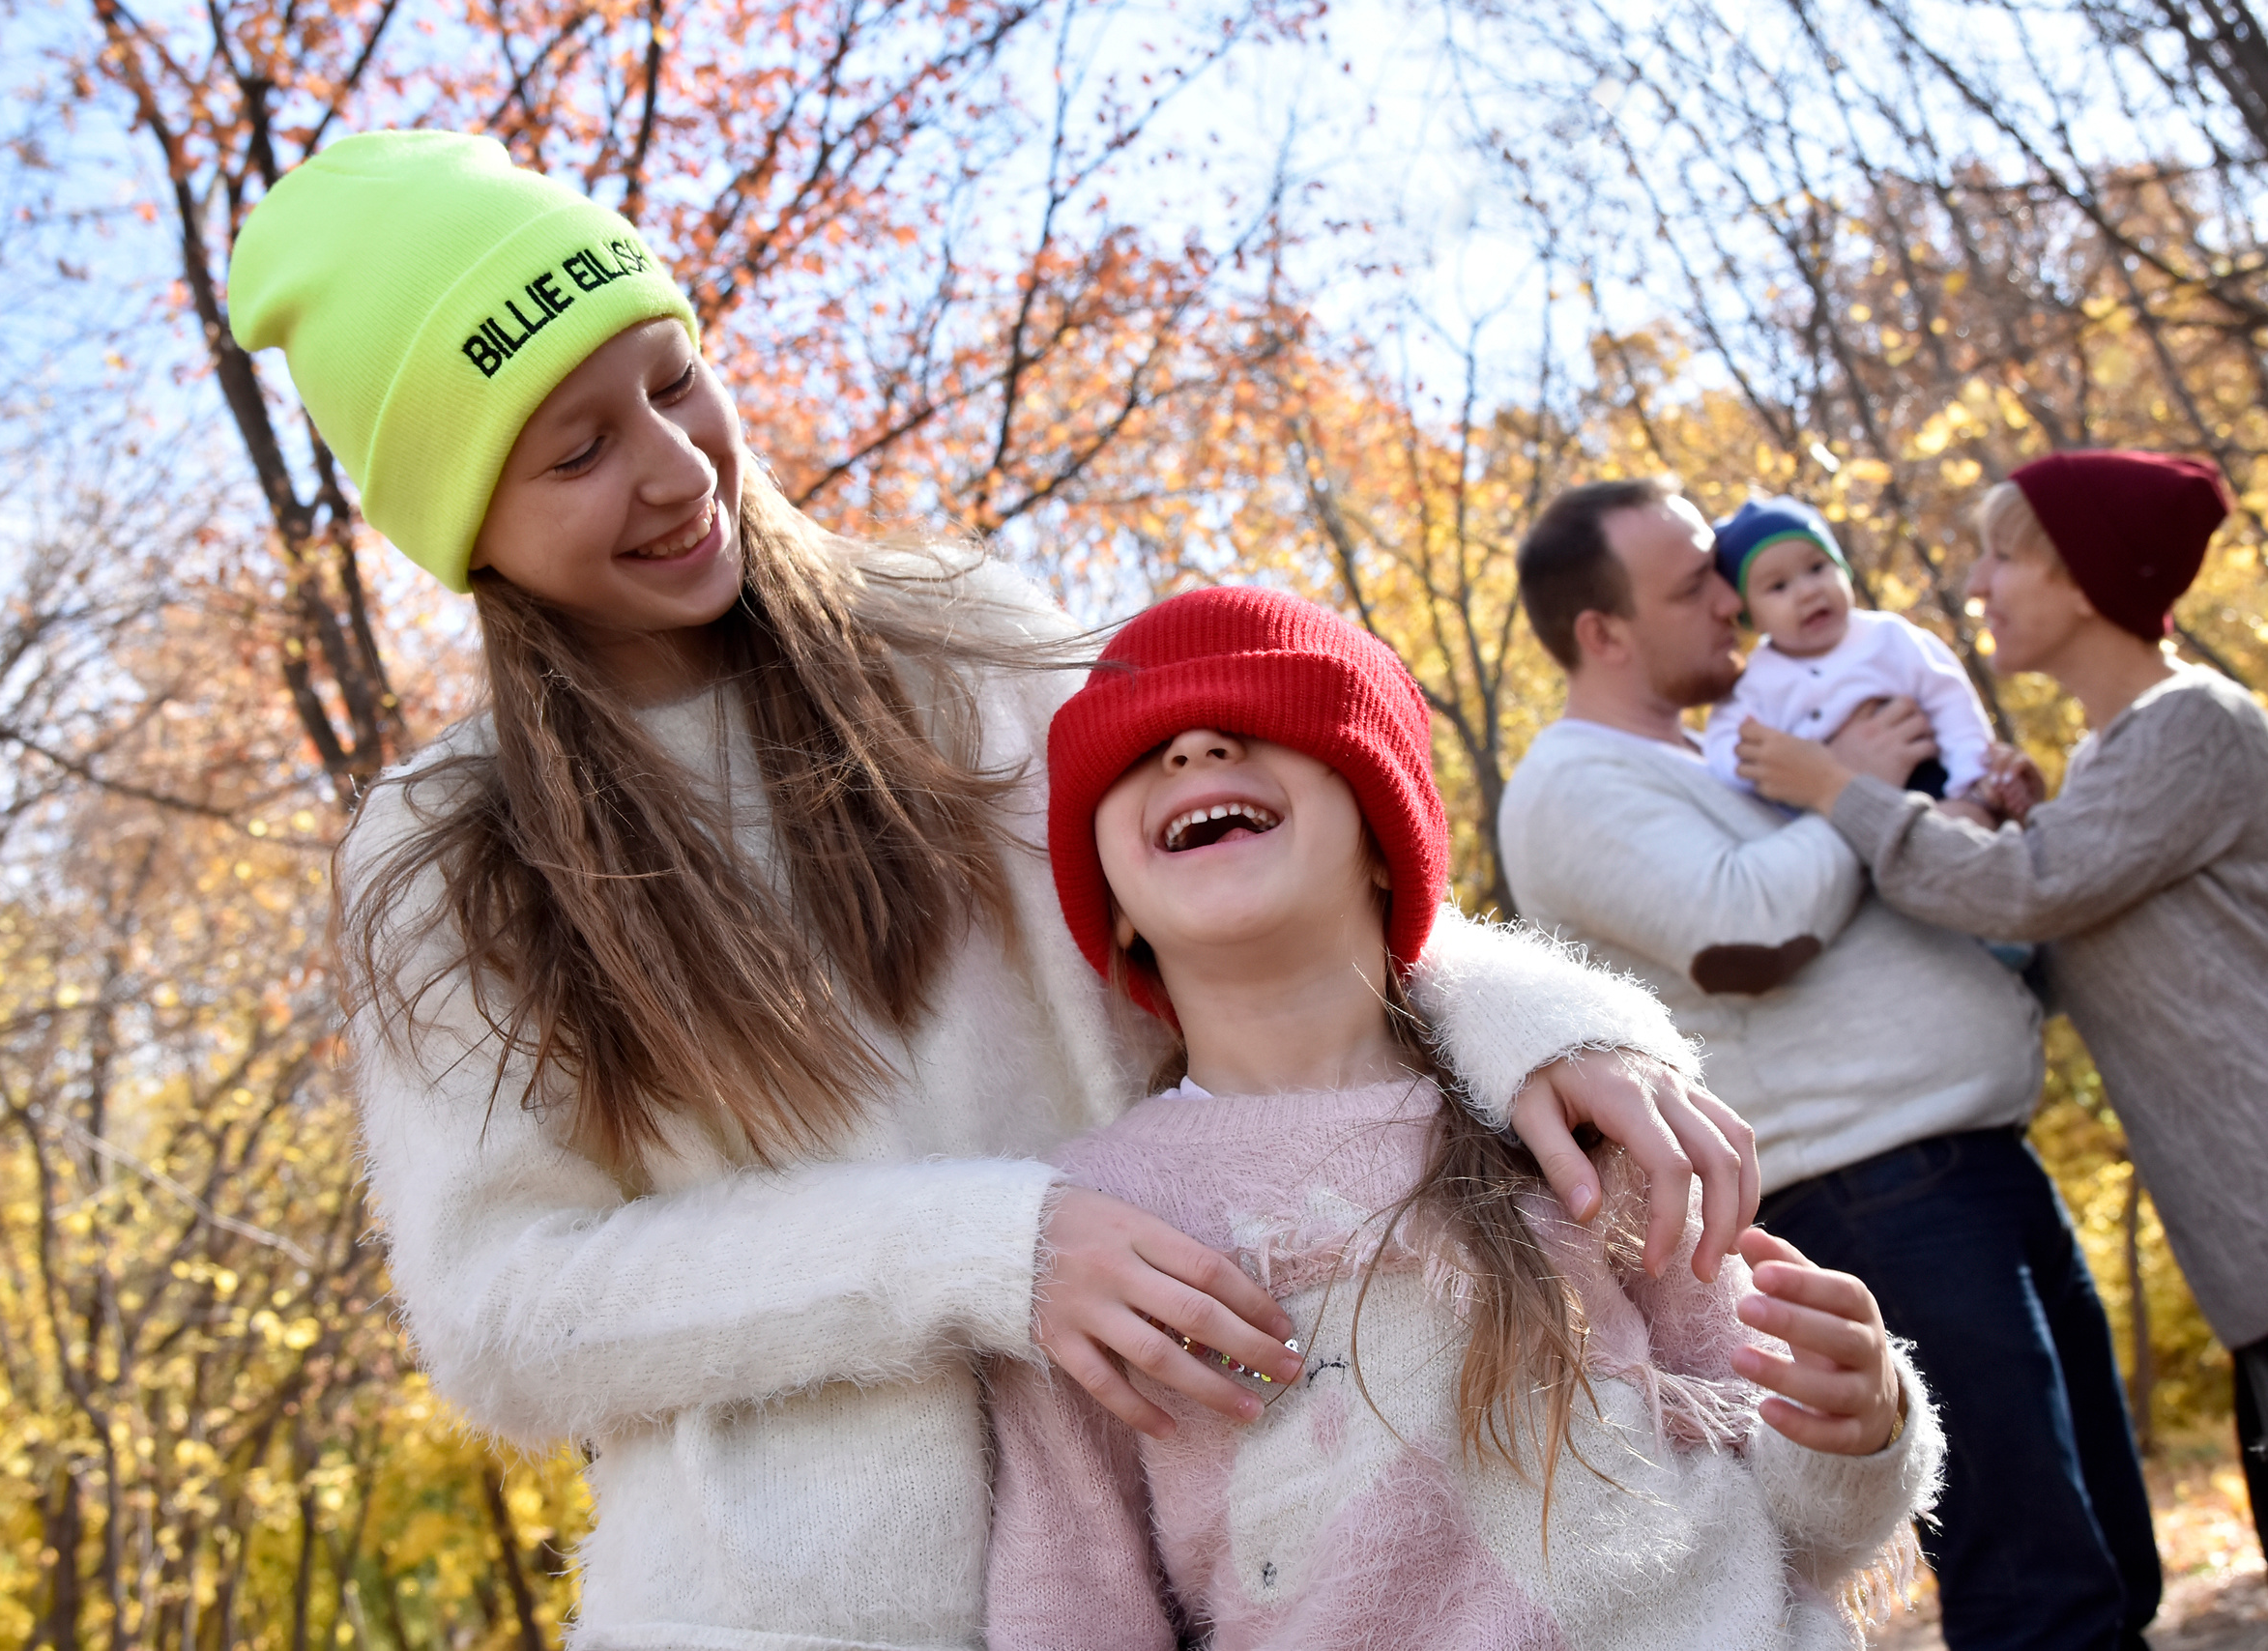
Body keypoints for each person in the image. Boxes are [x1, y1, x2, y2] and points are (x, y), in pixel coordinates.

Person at [225, 131, 1761, 1650]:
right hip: (782, 1621)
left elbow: (1238, 888)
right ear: (464, 529)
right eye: (576, 450)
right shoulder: (453, 846)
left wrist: (1535, 1030)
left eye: (674, 376)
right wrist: (990, 1252)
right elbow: (507, 1313)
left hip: (1225, 1548)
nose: (679, 466)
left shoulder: (963, 645)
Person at [985, 586, 1938, 1650]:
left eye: (1263, 719)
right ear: (1108, 897)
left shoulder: (1572, 1124)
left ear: (1385, 832)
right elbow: (1070, 1600)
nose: (1196, 745)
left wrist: (1857, 1428)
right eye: (1138, 750)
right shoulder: (1087, 1230)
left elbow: (1804, 1525)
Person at [1497, 477, 2164, 1651]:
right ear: (1601, 632)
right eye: (1694, 581)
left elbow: (1871, 881)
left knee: (2109, 1552)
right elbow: (1741, 930)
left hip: (1969, 1171)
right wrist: (1849, 788)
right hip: (1874, 1198)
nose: (1731, 595)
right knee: (2038, 1588)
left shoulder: (1733, 760)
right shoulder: (1571, 782)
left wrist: (1958, 809)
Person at [1738, 450, 2268, 1651]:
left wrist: (1843, 790)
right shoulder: (2111, 761)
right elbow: (2061, 889)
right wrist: (2033, 817)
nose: (1974, 581)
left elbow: (2031, 891)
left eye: (2001, 552)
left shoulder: (2192, 720)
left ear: (2082, 577)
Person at [1701, 496, 1995, 803]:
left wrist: (1971, 779)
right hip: (1830, 811)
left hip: (1931, 784)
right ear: (1750, 616)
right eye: (1779, 587)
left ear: (1842, 568)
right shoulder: (1755, 684)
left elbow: (1950, 701)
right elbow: (1723, 744)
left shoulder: (1889, 638)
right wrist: (1752, 769)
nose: (1808, 591)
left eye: (1817, 568)